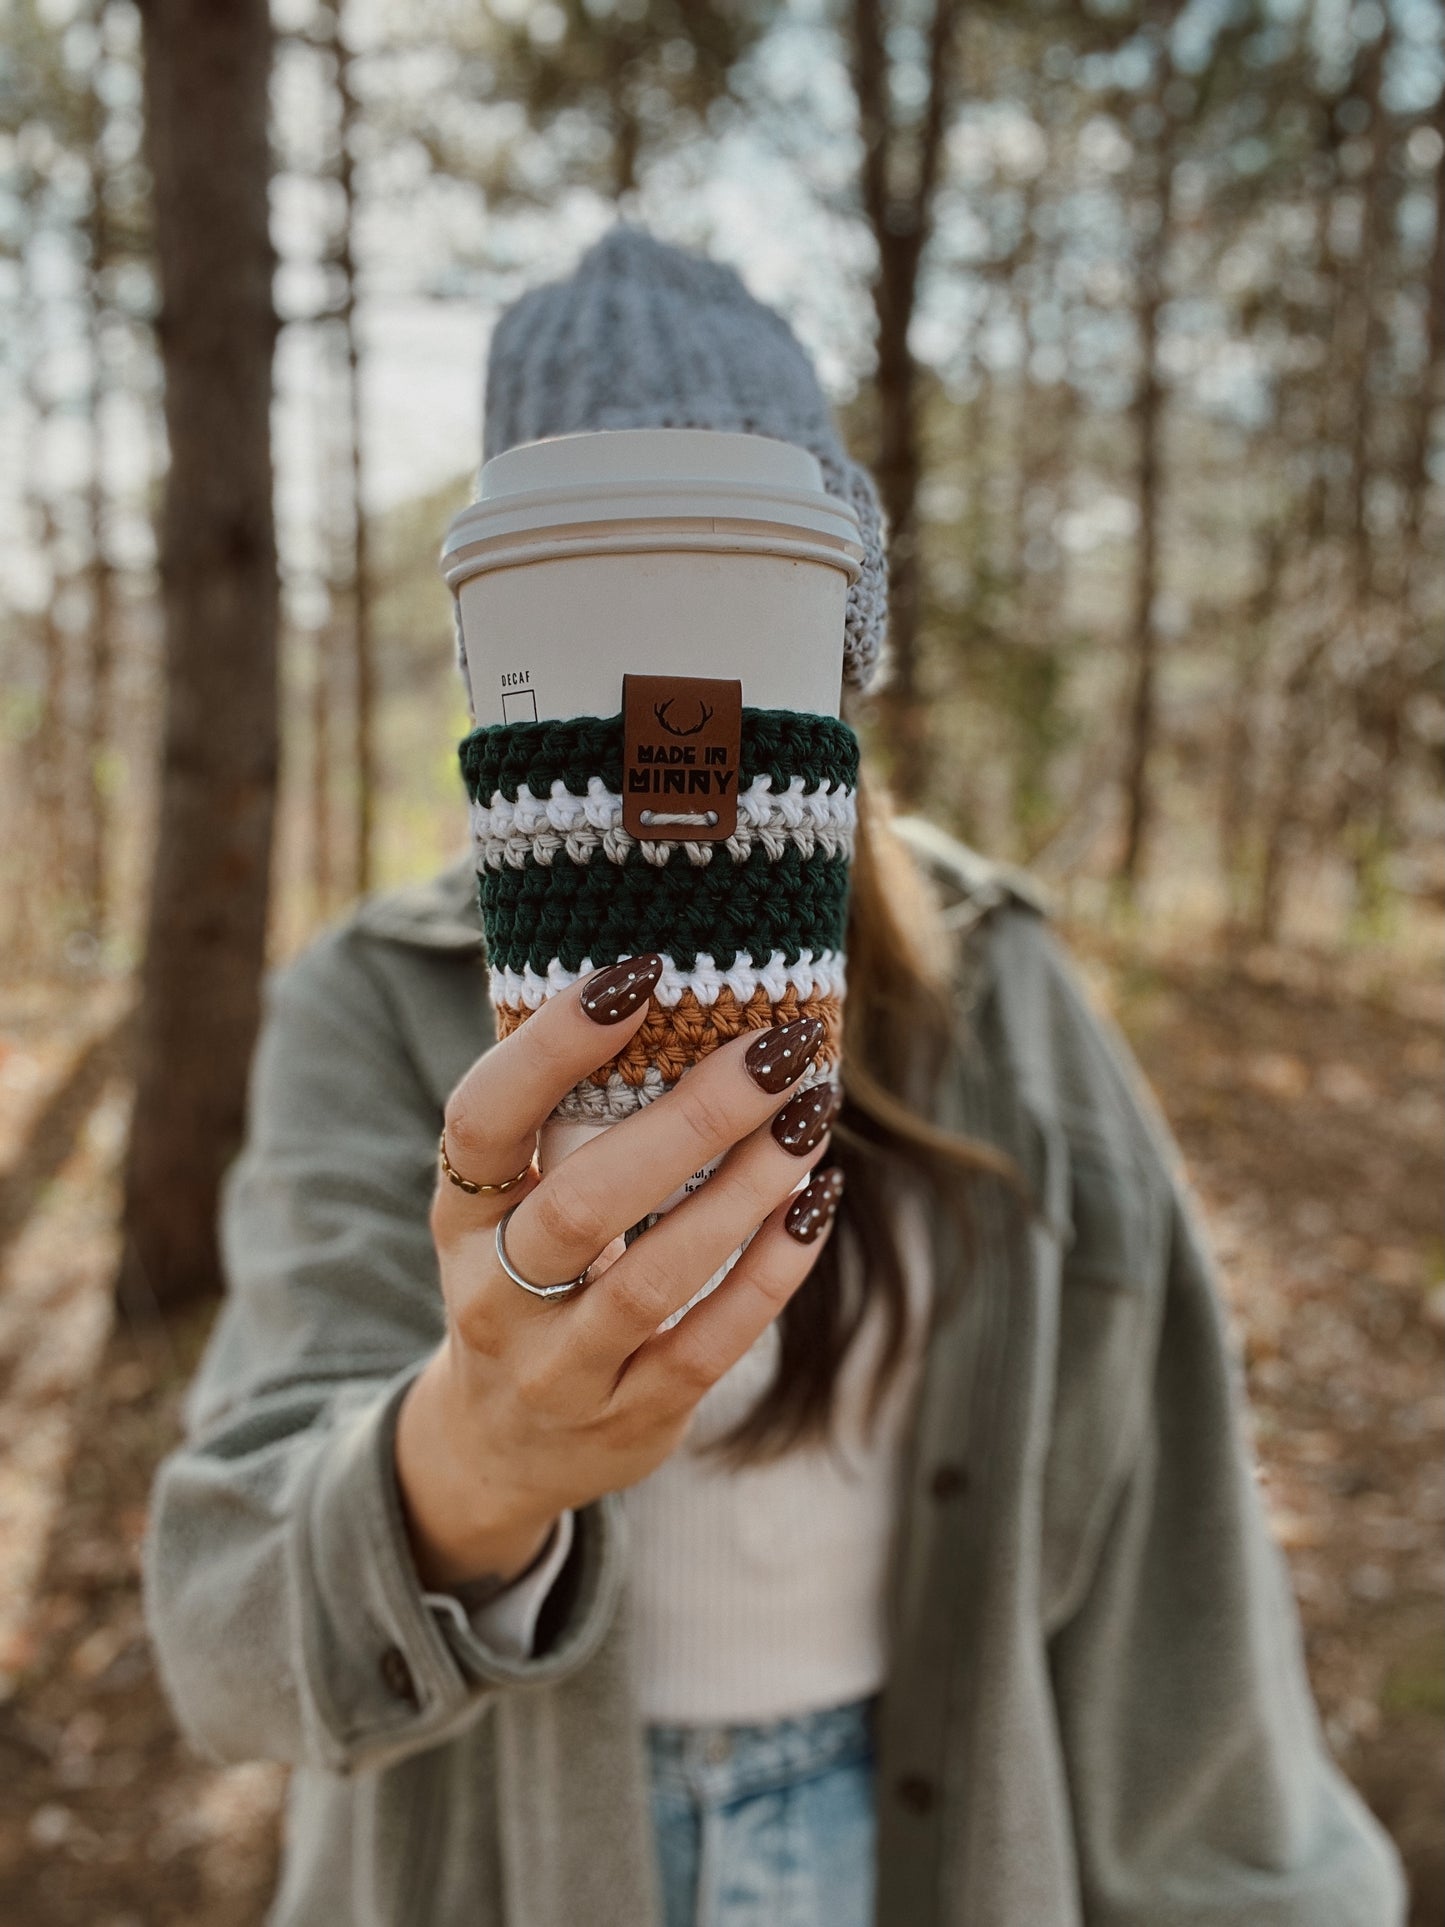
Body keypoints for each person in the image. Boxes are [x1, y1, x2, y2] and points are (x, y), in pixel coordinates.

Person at [143, 228, 1405, 1927]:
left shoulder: (999, 993)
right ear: (500, 652)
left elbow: (1174, 1547)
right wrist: (475, 1456)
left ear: (835, 634)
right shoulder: (376, 1007)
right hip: (509, 1869)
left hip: (917, 1844)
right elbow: (224, 1639)